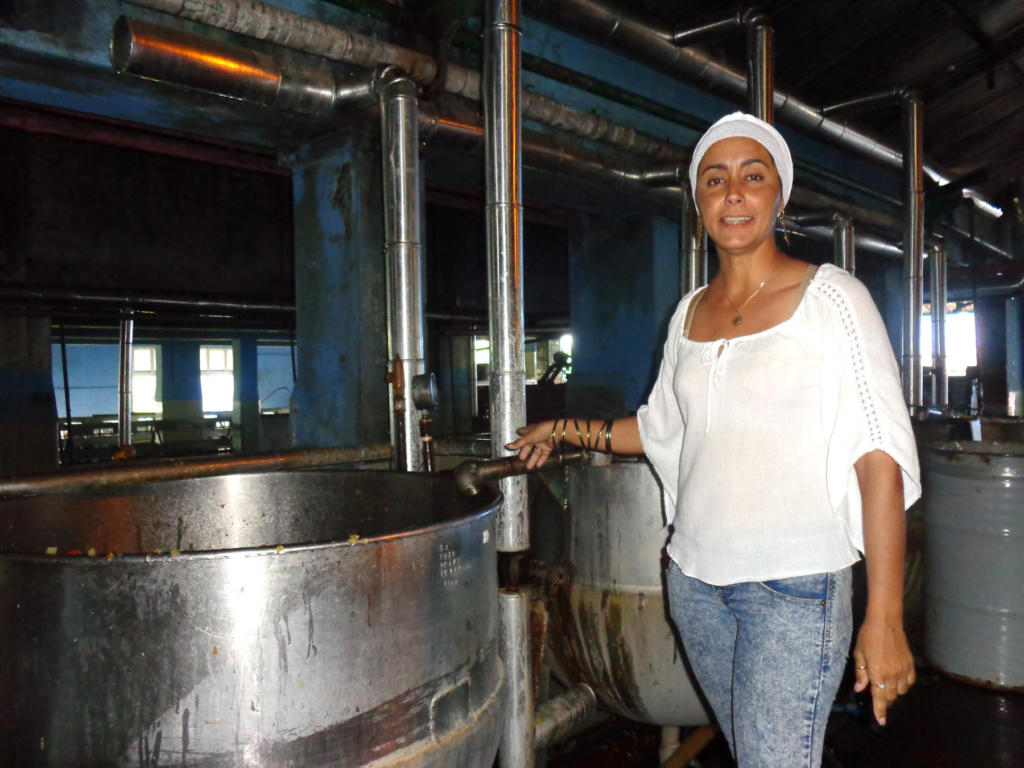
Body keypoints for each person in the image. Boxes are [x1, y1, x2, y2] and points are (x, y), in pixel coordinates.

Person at [507, 112, 921, 768]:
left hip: (795, 589)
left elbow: (879, 456)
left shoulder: (831, 298)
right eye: (714, 179)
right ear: (699, 201)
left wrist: (886, 614)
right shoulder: (688, 313)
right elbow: (656, 429)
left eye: (752, 177)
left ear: (778, 196)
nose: (733, 192)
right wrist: (561, 429)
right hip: (694, 584)